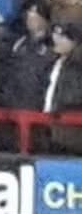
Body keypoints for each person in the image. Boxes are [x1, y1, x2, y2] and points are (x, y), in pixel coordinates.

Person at [45, 23, 82, 153]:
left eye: (62, 36)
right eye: (55, 34)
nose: (56, 39)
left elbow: (73, 97)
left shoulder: (77, 67)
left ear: (74, 42)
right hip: (47, 128)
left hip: (70, 133)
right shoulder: (54, 62)